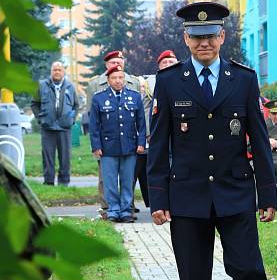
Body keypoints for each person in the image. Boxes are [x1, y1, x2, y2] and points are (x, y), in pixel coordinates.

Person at [147, 1, 277, 280]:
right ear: (186, 38)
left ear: (223, 37)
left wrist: (267, 192)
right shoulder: (169, 82)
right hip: (186, 195)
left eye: (211, 36)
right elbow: (158, 144)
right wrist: (157, 198)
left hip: (235, 191)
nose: (204, 42)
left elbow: (258, 139)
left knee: (252, 273)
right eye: (196, 36)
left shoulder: (244, 79)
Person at [85, 50, 143, 219]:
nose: (118, 81)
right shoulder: (99, 98)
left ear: (124, 79)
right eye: (114, 78)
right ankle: (113, 210)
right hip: (107, 147)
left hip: (129, 146)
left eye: (120, 78)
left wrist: (140, 142)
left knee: (127, 181)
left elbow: (141, 123)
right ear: (108, 80)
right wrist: (96, 146)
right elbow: (94, 125)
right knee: (110, 183)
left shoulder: (134, 97)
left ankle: (126, 211)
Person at [135, 50, 178, 213]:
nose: (168, 65)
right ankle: (160, 203)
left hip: (180, 135)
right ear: (159, 66)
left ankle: (175, 202)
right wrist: (148, 131)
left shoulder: (184, 80)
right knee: (160, 167)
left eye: (171, 62)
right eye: (164, 62)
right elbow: (146, 109)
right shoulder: (151, 83)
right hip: (158, 133)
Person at [31, 61, 80, 185]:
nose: (57, 72)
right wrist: (40, 119)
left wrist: (71, 119)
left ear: (63, 72)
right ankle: (48, 182)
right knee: (47, 157)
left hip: (65, 128)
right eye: (55, 70)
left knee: (65, 158)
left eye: (59, 70)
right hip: (48, 127)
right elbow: (34, 104)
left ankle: (64, 183)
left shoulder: (70, 86)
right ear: (51, 71)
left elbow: (76, 105)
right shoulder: (42, 85)